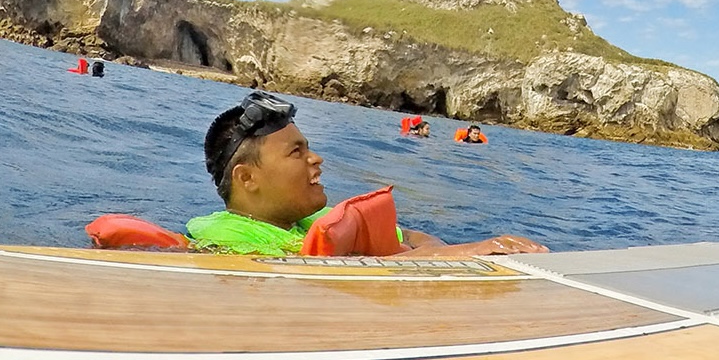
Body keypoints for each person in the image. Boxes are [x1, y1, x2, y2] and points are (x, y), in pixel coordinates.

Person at [189, 92, 545, 257]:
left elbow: (415, 237)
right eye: (296, 152)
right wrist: (465, 252)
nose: (316, 159)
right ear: (247, 178)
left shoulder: (315, 220)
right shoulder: (230, 245)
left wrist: (434, 252)